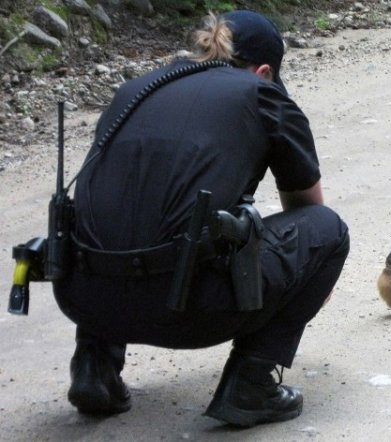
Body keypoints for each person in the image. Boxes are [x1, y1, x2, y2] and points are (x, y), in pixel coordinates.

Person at [52, 10, 350, 427]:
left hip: (82, 297)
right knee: (328, 231)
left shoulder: (134, 90)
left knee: (126, 212)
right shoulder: (262, 94)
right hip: (186, 308)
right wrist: (307, 275)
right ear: (264, 71)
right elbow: (307, 207)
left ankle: (94, 368)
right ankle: (252, 385)